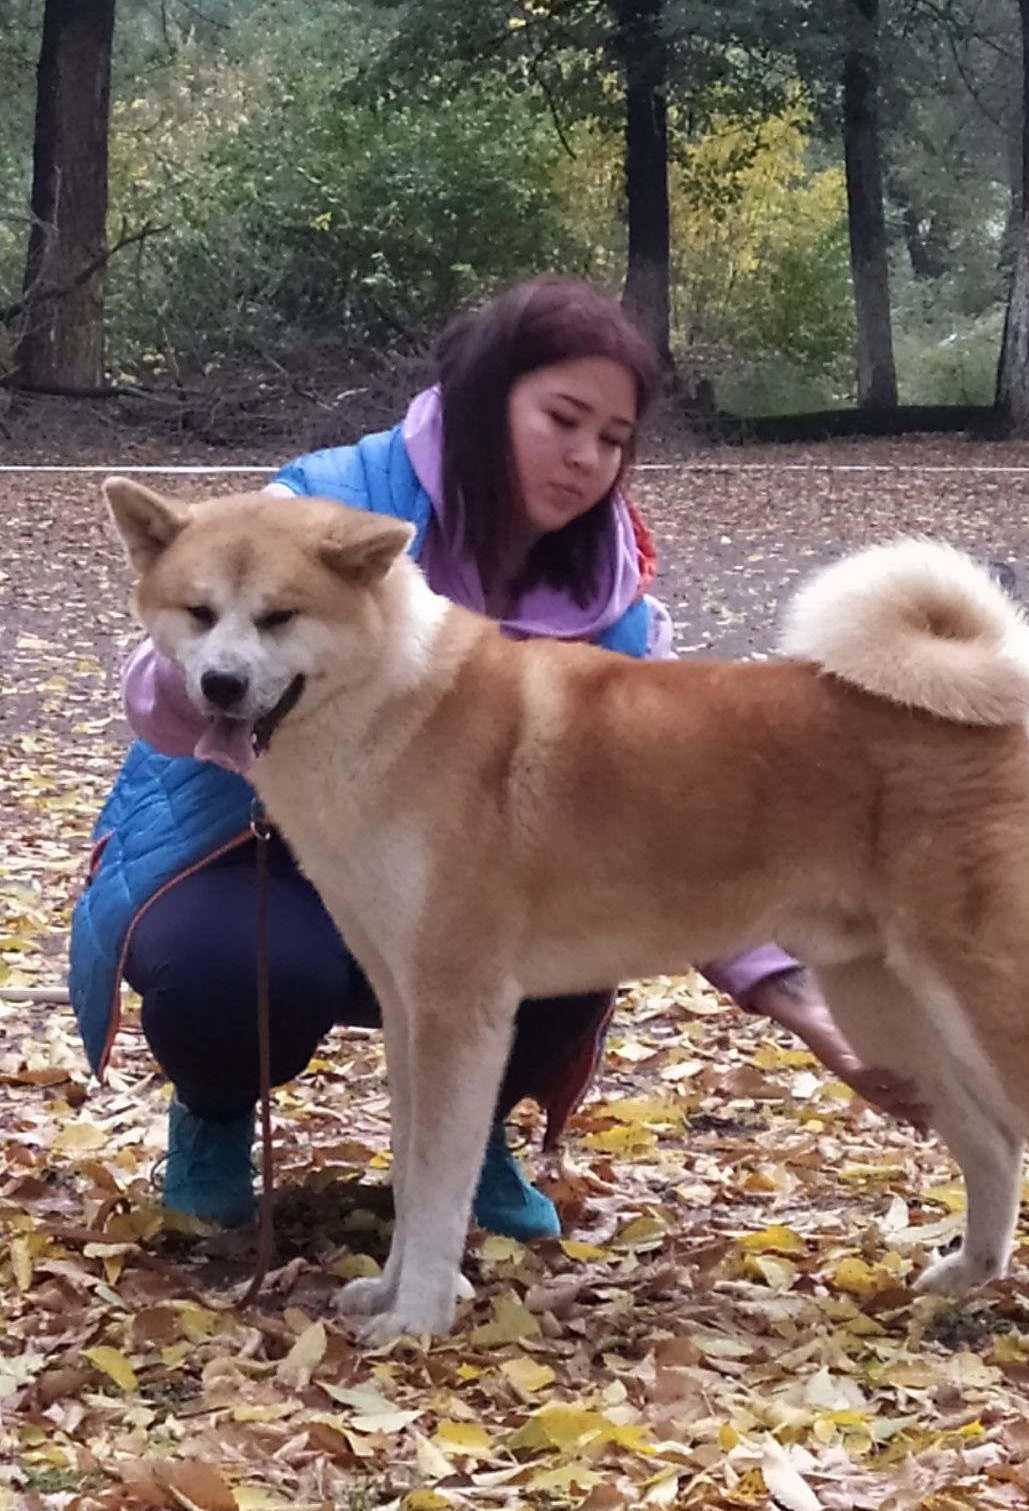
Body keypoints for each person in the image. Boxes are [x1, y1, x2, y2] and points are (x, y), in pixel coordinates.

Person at [70, 276, 919, 1239]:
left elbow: (680, 814)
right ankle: (215, 1118)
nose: (586, 457)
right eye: (562, 417)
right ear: (486, 398)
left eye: (613, 438)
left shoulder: (609, 590)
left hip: (467, 881)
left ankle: (467, 1140)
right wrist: (235, 673)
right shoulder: (322, 509)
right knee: (232, 968)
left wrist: (792, 993)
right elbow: (154, 694)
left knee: (579, 925)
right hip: (254, 853)